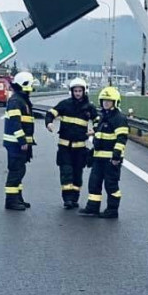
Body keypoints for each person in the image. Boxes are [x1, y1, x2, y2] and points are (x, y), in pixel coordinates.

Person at [44, 78, 97, 209]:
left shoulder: (89, 107)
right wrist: (49, 123)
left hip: (80, 149)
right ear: (71, 92)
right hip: (64, 147)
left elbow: (98, 120)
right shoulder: (64, 104)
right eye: (75, 91)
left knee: (77, 175)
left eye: (80, 91)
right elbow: (51, 113)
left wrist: (94, 130)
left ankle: (74, 198)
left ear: (84, 91)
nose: (77, 93)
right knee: (66, 172)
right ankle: (67, 199)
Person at [79, 86, 129, 219]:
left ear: (115, 102)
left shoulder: (119, 118)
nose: (106, 103)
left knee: (111, 185)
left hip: (111, 160)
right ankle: (92, 208)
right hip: (98, 158)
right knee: (94, 183)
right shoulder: (104, 117)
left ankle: (112, 210)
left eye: (109, 101)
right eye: (104, 101)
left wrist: (116, 156)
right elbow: (101, 134)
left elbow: (121, 138)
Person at [2, 71, 36, 211]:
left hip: (19, 144)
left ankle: (18, 197)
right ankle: (11, 201)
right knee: (16, 171)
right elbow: (16, 123)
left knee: (20, 171)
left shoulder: (21, 100)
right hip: (16, 144)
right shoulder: (16, 101)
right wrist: (22, 141)